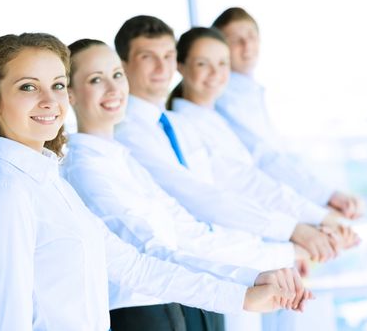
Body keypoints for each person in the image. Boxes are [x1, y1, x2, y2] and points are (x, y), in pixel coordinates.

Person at [0, 32, 301, 331]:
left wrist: (243, 295)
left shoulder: (48, 181)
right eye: (28, 87)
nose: (49, 100)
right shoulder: (8, 192)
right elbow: (10, 323)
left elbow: (133, 265)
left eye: (58, 85)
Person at [63, 38, 311, 331]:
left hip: (175, 303)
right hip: (140, 316)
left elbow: (184, 229)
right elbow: (150, 252)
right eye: (95, 79)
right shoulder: (86, 171)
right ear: (70, 94)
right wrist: (244, 288)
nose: (113, 88)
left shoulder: (123, 160)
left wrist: (253, 275)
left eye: (117, 75)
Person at [113, 15, 339, 263]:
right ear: (122, 65)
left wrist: (281, 250)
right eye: (147, 57)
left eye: (167, 56)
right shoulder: (128, 133)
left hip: (229, 257)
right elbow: (198, 198)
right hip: (187, 267)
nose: (161, 67)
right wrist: (290, 236)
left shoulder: (177, 125)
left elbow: (235, 186)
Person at [168, 26, 360, 251]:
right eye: (202, 64)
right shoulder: (186, 126)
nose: (215, 73)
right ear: (180, 67)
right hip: (237, 250)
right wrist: (316, 220)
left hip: (259, 245)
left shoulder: (213, 120)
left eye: (222, 63)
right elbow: (246, 186)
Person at [211, 7, 363, 219]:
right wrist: (325, 196)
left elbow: (280, 155)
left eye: (251, 37)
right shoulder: (225, 98)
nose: (247, 46)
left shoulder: (250, 91)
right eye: (236, 40)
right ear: (220, 48)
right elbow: (264, 158)